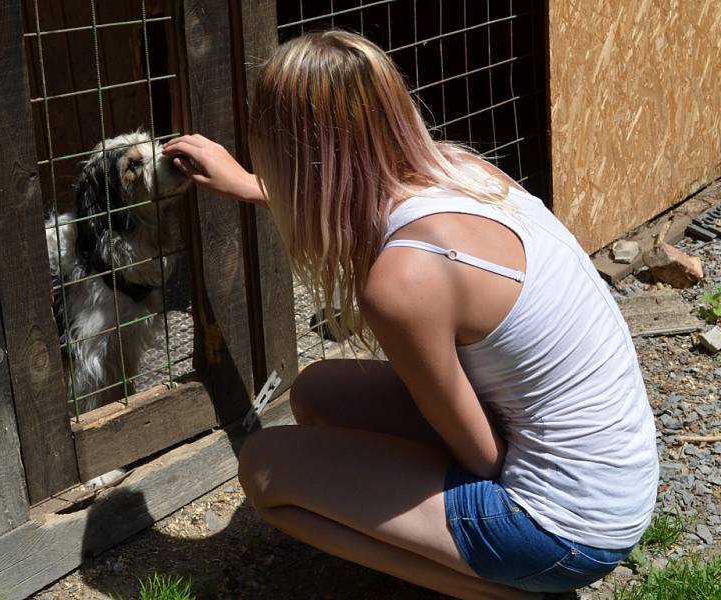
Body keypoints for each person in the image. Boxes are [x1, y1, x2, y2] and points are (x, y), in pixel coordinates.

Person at [162, 30, 658, 600]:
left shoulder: (403, 283)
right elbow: (350, 195)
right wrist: (250, 186)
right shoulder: (463, 170)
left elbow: (483, 456)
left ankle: (513, 591)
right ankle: (469, 549)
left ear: (284, 146)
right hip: (620, 480)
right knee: (318, 393)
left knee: (264, 470)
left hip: (568, 533)